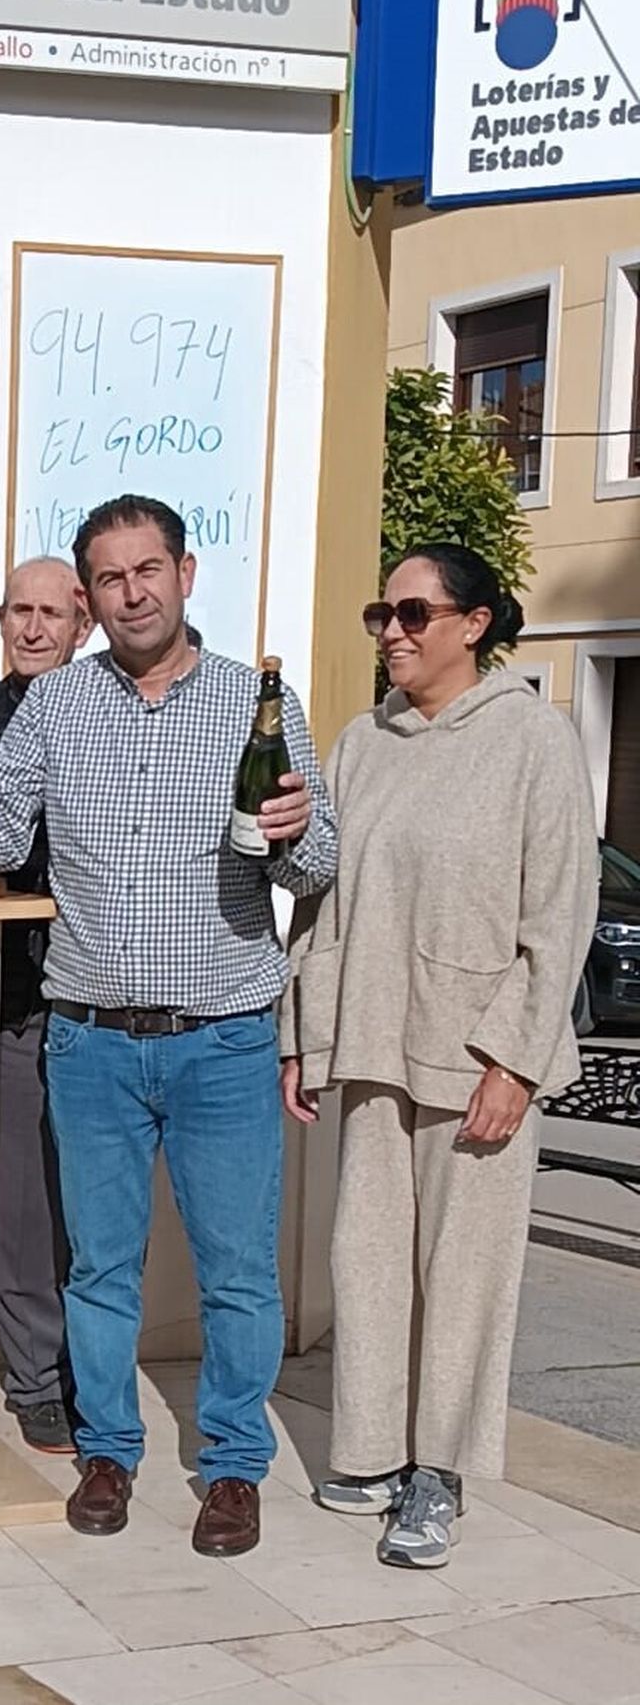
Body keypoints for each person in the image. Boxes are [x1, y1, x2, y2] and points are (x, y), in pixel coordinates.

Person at [0, 495, 336, 1558]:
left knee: (237, 1270)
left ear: (185, 574)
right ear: (90, 598)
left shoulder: (254, 704)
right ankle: (107, 1448)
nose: (132, 592)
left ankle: (232, 1465)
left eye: (148, 569)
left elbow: (318, 862)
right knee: (99, 1267)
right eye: (110, 577)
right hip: (89, 1037)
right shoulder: (57, 705)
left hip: (223, 1036)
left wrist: (293, 832)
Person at [280, 544, 598, 1570]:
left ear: (474, 623)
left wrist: (517, 1059)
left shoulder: (533, 740)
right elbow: (321, 905)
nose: (392, 632)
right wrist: (302, 1033)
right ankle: (372, 1449)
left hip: (476, 1054)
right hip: (371, 1038)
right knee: (367, 1261)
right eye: (383, 614)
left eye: (414, 613)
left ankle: (440, 1471)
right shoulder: (360, 742)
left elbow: (561, 912)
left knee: (462, 1274)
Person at [0, 556, 91, 1454]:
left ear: (82, 625)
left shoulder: (106, 716)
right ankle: (38, 1377)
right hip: (10, 998)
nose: (34, 627)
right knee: (25, 1208)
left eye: (52, 612)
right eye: (20, 610)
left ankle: (88, 1370)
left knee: (96, 1206)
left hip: (99, 995)